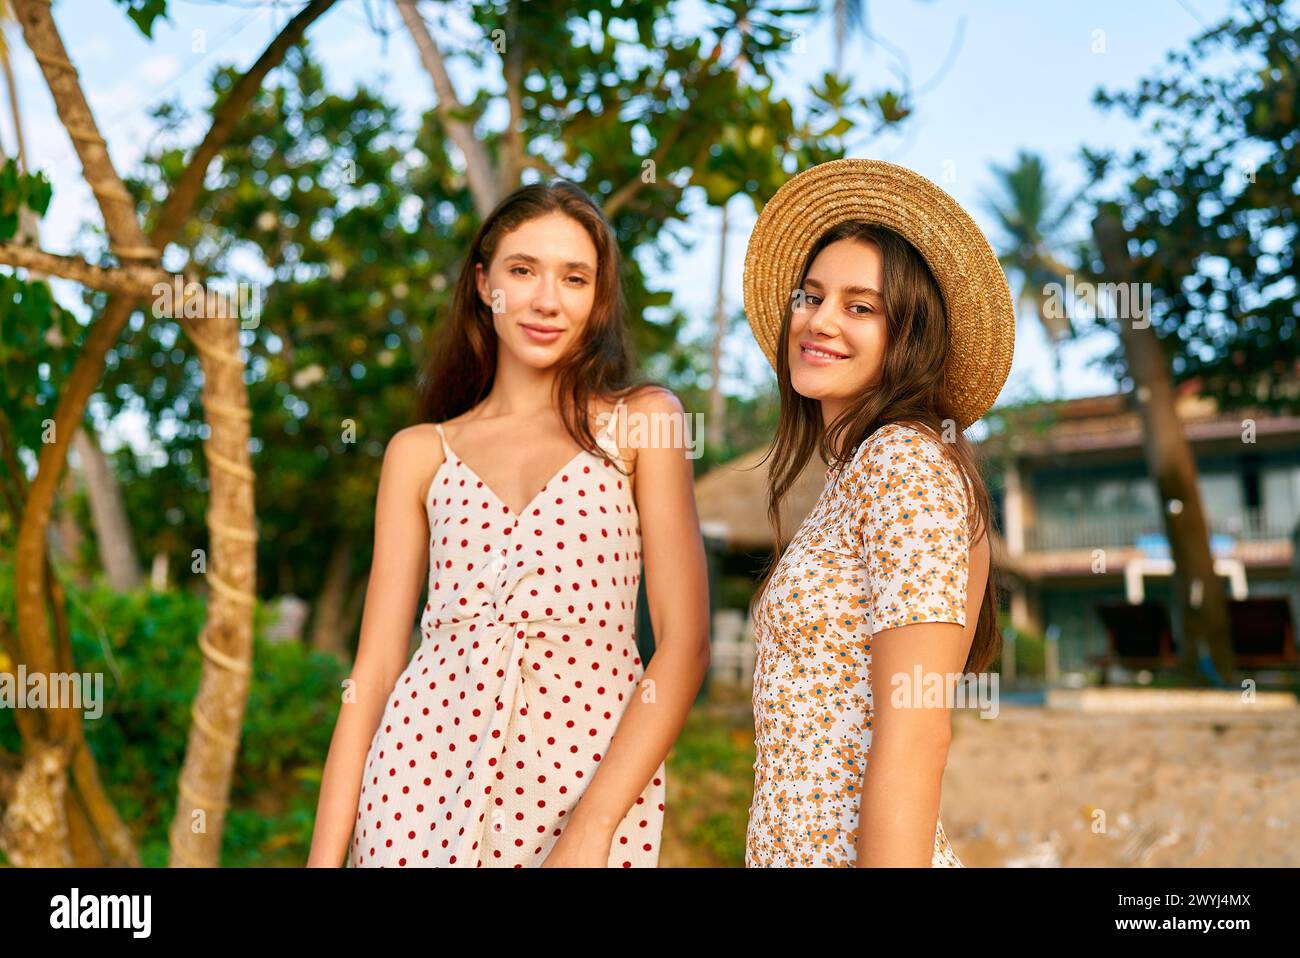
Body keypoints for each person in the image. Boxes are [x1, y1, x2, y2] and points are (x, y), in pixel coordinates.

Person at [307, 180, 710, 867]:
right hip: (418, 785)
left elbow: (685, 644)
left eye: (574, 278)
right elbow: (373, 672)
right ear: (483, 282)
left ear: (598, 299)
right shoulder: (418, 453)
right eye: (523, 270)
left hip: (583, 784)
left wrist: (592, 829)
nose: (547, 300)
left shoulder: (643, 422)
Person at [739, 158, 1015, 867]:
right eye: (811, 295)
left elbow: (918, 731)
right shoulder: (855, 474)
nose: (819, 320)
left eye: (860, 306)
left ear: (910, 338)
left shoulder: (905, 461)